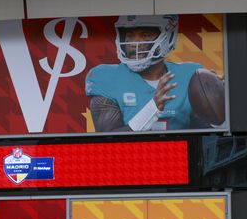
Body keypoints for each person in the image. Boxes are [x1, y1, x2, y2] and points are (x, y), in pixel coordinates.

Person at [86, 14, 222, 131]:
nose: (134, 43)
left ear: (168, 37)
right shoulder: (105, 78)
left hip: (180, 157)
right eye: (129, 35)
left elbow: (205, 136)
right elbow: (109, 143)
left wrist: (220, 103)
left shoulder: (191, 76)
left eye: (145, 35)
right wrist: (153, 109)